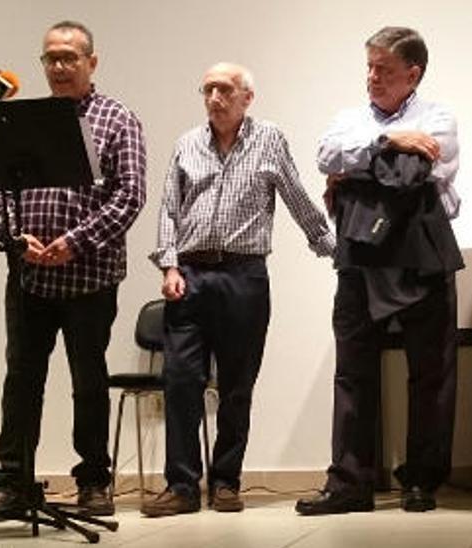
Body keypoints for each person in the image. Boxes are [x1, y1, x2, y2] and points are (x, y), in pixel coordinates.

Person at [141, 62, 335, 517]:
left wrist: (331, 249)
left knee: (236, 385)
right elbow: (169, 208)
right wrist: (168, 265)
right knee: (181, 381)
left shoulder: (269, 139)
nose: (214, 98)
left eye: (225, 89)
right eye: (207, 89)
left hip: (244, 277)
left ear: (247, 97)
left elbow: (296, 195)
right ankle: (182, 485)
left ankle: (226, 482)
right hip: (189, 275)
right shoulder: (188, 144)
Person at [0, 20, 147, 516]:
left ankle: (94, 482)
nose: (58, 66)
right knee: (21, 380)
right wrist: (16, 238)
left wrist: (74, 243)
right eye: (50, 57)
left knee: (88, 381)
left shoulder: (117, 119)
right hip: (29, 275)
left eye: (69, 57)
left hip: (88, 278)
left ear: (91, 63)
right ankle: (13, 481)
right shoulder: (21, 119)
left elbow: (130, 196)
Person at [295, 26, 462, 515]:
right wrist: (389, 139)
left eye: (383, 70)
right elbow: (326, 155)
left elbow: (418, 174)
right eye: (368, 67)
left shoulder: (440, 117)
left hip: (420, 253)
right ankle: (349, 483)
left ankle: (421, 481)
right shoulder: (348, 118)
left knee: (430, 373)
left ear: (413, 74)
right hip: (358, 256)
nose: (372, 77)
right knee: (352, 371)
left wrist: (355, 173)